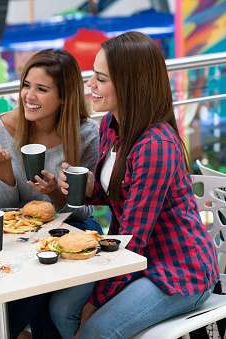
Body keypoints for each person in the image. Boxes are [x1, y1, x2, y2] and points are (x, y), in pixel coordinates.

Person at [50, 31, 219, 339]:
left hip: (180, 271)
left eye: (100, 79)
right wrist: (90, 187)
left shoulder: (155, 146)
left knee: (96, 329)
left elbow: (132, 239)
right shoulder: (111, 125)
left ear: (129, 85)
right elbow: (120, 194)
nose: (90, 86)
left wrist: (96, 303)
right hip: (135, 256)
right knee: (61, 309)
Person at [0, 49, 101, 231]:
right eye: (26, 85)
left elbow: (84, 213)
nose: (29, 96)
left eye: (41, 89)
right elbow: (0, 210)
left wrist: (54, 192)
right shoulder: (0, 127)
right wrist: (3, 166)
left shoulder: (87, 134)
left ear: (64, 96)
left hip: (71, 227)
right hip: (19, 231)